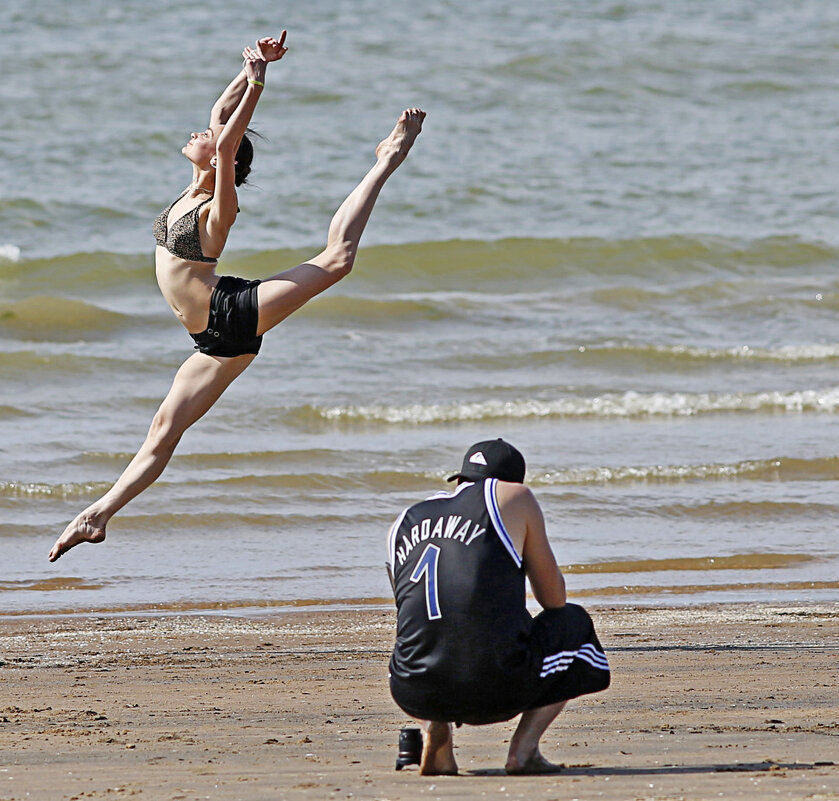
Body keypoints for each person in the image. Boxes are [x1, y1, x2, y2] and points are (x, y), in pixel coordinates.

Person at [49, 31, 426, 562]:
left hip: (230, 313)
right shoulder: (191, 188)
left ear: (221, 158)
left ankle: (387, 157)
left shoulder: (215, 211)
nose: (201, 131)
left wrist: (259, 82)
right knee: (163, 431)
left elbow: (226, 142)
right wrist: (248, 66)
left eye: (208, 135)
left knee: (337, 259)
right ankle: (97, 516)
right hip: (210, 338)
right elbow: (220, 113)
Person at [386, 439, 610, 775]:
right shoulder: (512, 496)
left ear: (460, 480)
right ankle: (524, 751)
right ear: (512, 480)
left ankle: (438, 727)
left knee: (434, 627)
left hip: (412, 687)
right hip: (494, 688)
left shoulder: (404, 520)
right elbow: (554, 600)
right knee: (573, 623)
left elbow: (412, 612)